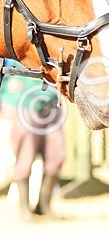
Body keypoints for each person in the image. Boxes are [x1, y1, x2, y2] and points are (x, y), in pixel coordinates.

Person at [0, 61, 65, 218]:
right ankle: (24, 209)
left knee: (57, 155)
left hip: (50, 100)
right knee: (25, 155)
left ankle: (44, 205)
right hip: (20, 99)